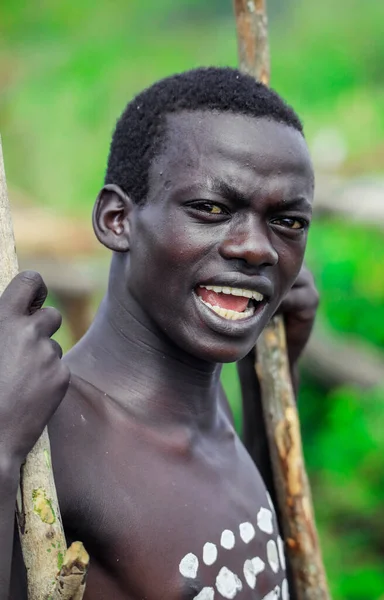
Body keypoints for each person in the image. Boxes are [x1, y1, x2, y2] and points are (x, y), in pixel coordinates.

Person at [1, 67, 318, 600]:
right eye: (211, 209)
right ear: (117, 220)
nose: (257, 249)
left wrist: (269, 382)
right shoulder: (50, 441)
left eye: (286, 221)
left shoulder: (210, 407)